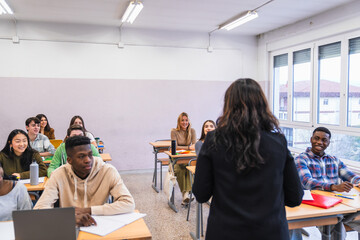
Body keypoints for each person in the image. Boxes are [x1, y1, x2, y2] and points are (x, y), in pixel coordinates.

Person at [192, 78, 303, 240]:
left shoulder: (213, 140)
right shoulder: (278, 142)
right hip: (271, 232)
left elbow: (201, 194)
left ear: (228, 106)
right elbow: (294, 198)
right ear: (262, 105)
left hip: (225, 233)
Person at [34, 135, 135, 227]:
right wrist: (68, 218)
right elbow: (39, 210)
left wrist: (89, 210)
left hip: (100, 226)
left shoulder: (108, 171)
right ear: (69, 160)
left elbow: (128, 203)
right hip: (71, 227)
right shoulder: (59, 174)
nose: (88, 160)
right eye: (81, 156)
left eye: (90, 154)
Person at [295, 126, 360, 239]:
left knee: (341, 218)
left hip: (338, 202)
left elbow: (351, 176)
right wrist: (334, 187)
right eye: (316, 138)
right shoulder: (301, 159)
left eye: (324, 140)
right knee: (335, 222)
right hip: (316, 205)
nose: (319, 142)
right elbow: (308, 182)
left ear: (329, 142)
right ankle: (340, 222)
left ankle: (341, 221)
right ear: (311, 139)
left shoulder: (334, 160)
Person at [170, 112, 196, 205]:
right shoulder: (174, 131)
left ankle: (185, 194)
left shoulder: (192, 131)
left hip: (188, 156)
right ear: (179, 121)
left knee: (189, 167)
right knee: (179, 168)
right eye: (182, 120)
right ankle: (187, 193)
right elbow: (175, 147)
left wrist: (187, 148)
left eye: (186, 120)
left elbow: (194, 145)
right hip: (177, 156)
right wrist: (188, 148)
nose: (184, 122)